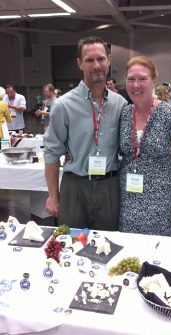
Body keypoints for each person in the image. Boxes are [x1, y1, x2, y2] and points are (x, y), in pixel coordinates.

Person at [43, 36, 127, 230]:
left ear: (109, 60)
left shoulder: (120, 104)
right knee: (72, 244)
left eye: (100, 59)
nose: (96, 65)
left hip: (109, 186)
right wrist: (53, 196)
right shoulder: (63, 105)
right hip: (75, 187)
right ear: (80, 64)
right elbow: (52, 153)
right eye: (89, 60)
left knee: (109, 246)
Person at [119, 56, 171, 237]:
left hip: (163, 202)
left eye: (142, 79)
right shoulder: (125, 113)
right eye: (131, 79)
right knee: (131, 256)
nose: (136, 85)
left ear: (154, 81)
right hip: (129, 200)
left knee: (161, 257)